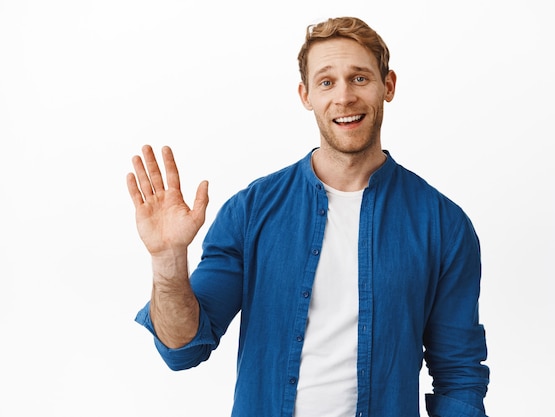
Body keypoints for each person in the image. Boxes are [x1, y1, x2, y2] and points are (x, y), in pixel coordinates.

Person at [127, 16, 489, 417]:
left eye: (360, 78)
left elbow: (459, 374)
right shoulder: (251, 212)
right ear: (306, 95)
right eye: (327, 82)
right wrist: (167, 259)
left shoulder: (443, 225)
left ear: (388, 86)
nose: (344, 97)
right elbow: (183, 348)